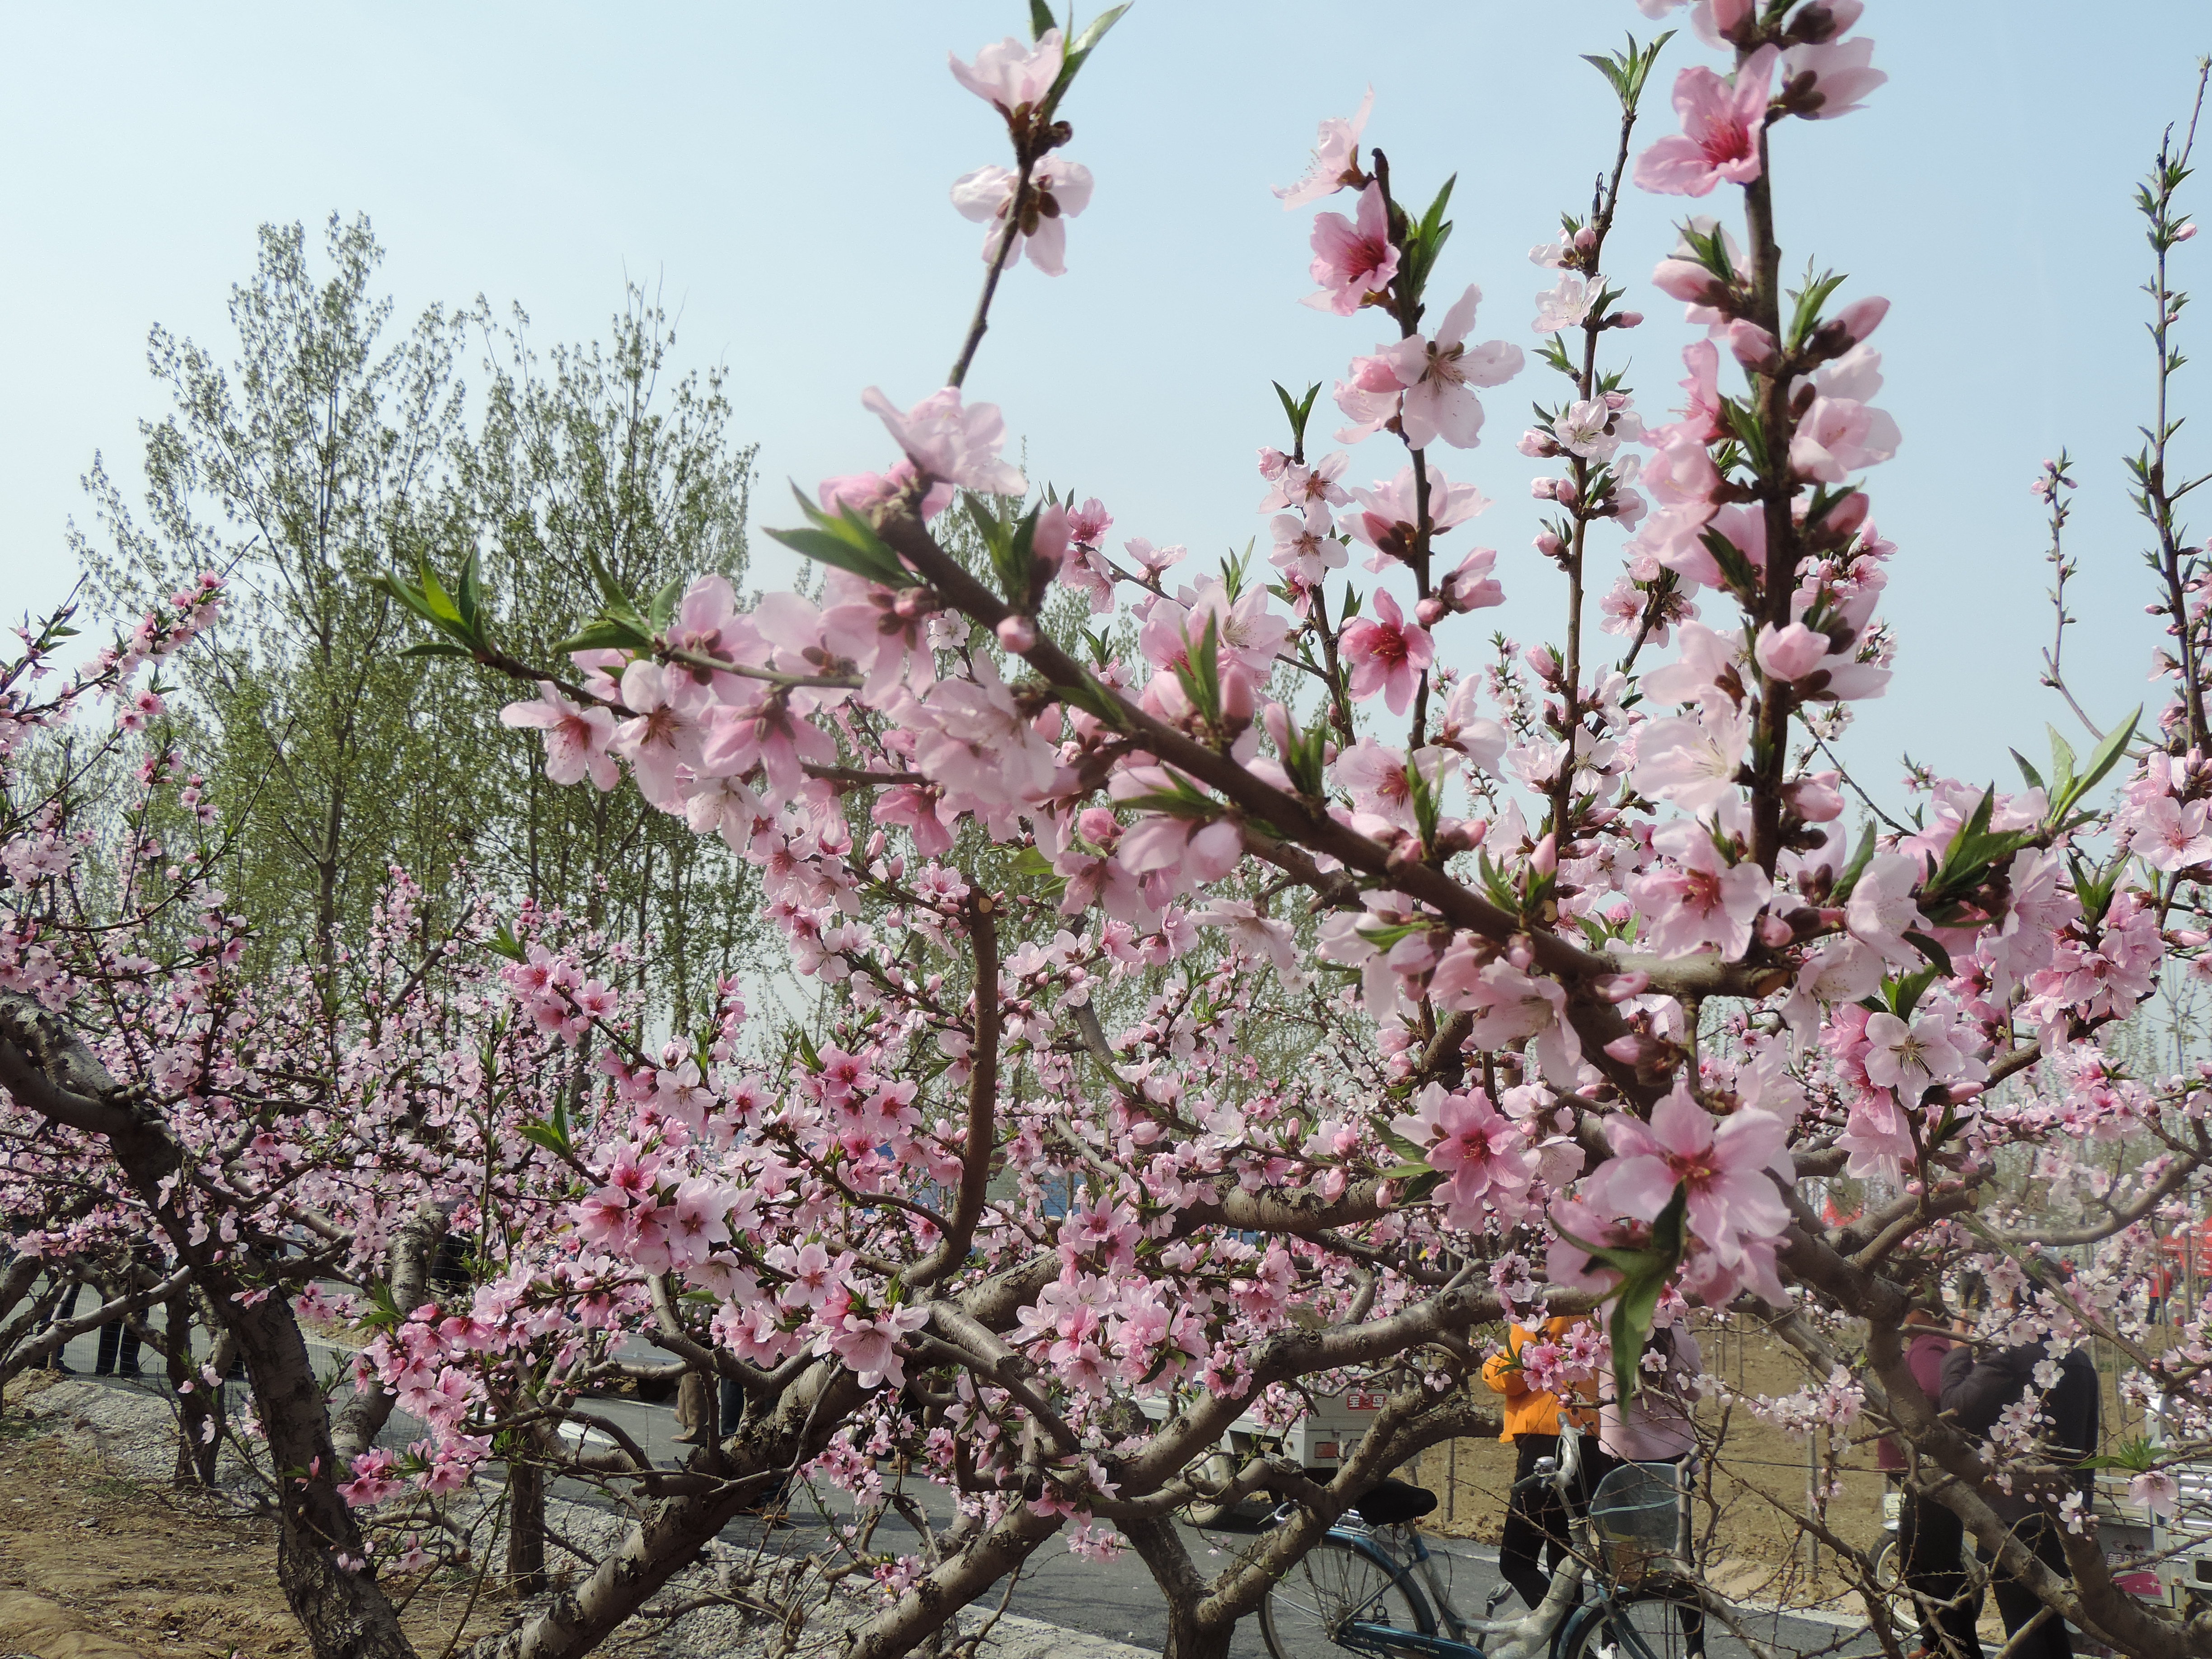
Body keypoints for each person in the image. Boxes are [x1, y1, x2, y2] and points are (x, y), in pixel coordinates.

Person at [1939, 1318, 2100, 1659]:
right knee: (2050, 1622)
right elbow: (2088, 1438)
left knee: (2025, 1630)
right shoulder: (2078, 1357)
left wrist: (1958, 1354)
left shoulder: (2013, 1352)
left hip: (2013, 1513)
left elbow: (1957, 1409)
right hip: (2063, 1510)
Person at [1595, 1319, 1705, 1657]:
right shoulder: (1679, 1336)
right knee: (1679, 1558)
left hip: (1621, 1463)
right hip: (1673, 1464)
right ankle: (1694, 1650)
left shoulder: (1607, 1336)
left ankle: (1609, 1643)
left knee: (1616, 1558)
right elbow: (1695, 1391)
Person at [1879, 1305, 1981, 1659]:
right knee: (1914, 1561)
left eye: (1909, 1308)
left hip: (1935, 1474)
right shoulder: (1922, 1342)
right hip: (1918, 1473)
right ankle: (1933, 1642)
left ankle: (1958, 1649)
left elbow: (1933, 1388)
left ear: (1926, 1309)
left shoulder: (1932, 1343)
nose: (1902, 1313)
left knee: (1939, 1569)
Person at [1481, 1316, 1597, 1610]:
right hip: (1591, 1439)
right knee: (1565, 1565)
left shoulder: (1540, 1309)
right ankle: (1571, 1647)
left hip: (1548, 1445)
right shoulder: (1596, 1301)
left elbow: (1511, 1375)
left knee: (1516, 1562)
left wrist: (1489, 1364)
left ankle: (1573, 1645)